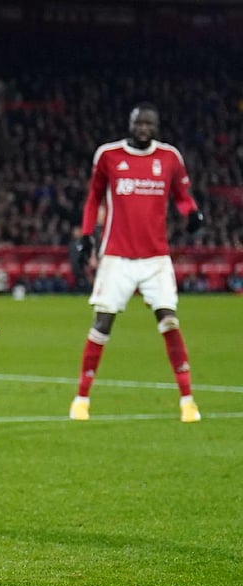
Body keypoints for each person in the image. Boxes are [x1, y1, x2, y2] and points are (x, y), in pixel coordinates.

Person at [68, 102, 203, 423]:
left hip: (156, 258)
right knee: (102, 323)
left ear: (156, 127)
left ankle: (188, 401)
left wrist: (192, 214)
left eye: (149, 123)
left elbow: (183, 197)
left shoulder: (170, 158)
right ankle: (81, 399)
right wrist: (87, 235)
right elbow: (93, 198)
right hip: (116, 256)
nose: (144, 127)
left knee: (169, 321)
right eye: (139, 122)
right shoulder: (108, 156)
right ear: (130, 124)